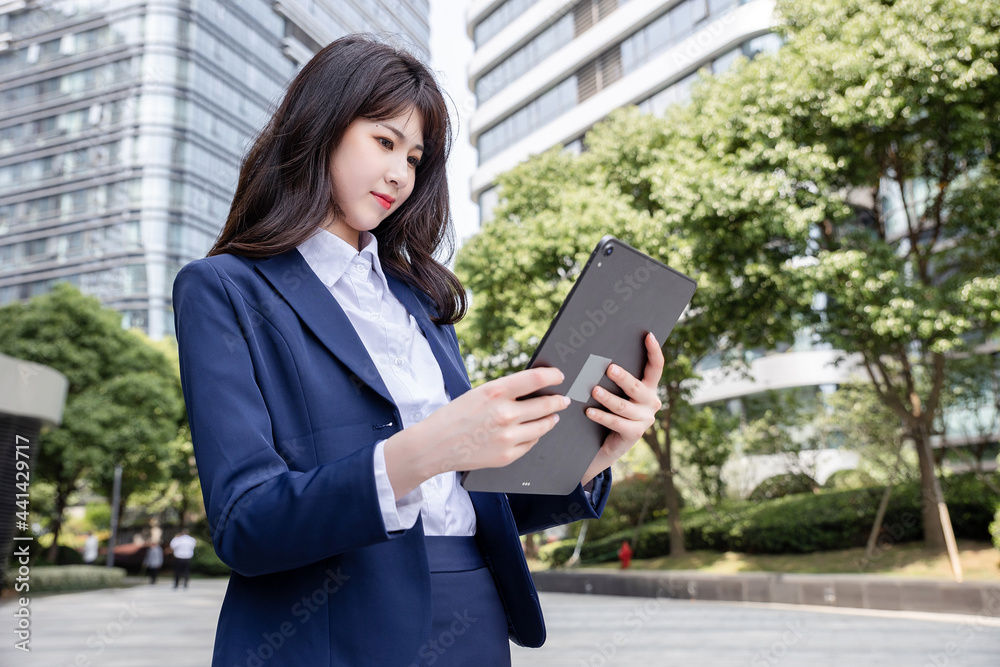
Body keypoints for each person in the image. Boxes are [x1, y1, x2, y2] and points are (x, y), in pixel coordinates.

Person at [172, 35, 663, 667]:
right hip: (328, 630)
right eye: (384, 141)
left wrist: (592, 453)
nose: (401, 174)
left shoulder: (419, 302)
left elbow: (471, 498)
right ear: (319, 128)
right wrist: (426, 448)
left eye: (415, 156)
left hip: (473, 614)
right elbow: (246, 524)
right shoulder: (225, 290)